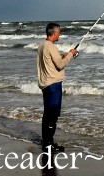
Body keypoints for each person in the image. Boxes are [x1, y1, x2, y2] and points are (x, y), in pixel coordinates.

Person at [36, 22, 78, 152]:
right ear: (53, 33)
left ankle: (46, 143)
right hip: (53, 85)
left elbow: (52, 61)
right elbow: (60, 65)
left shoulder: (42, 45)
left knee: (47, 114)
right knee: (53, 115)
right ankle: (49, 145)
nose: (60, 34)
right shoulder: (51, 46)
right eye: (59, 32)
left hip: (45, 84)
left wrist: (65, 54)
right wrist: (71, 54)